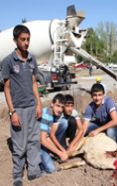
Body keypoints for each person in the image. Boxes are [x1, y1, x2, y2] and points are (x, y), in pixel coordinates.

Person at [1, 25, 42, 186]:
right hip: (18, 108)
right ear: (15, 40)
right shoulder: (8, 61)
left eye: (28, 39)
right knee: (18, 144)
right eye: (23, 39)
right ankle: (17, 174)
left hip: (32, 107)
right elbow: (6, 87)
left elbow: (34, 83)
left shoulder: (32, 60)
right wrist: (12, 112)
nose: (26, 43)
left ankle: (33, 169)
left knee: (33, 140)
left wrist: (39, 104)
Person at [39, 94, 68, 174]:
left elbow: (49, 136)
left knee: (64, 122)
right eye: (58, 106)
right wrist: (60, 153)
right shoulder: (45, 115)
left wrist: (62, 150)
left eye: (62, 107)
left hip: (42, 138)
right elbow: (42, 140)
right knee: (51, 169)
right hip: (34, 142)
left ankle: (45, 158)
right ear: (52, 104)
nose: (60, 109)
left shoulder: (54, 115)